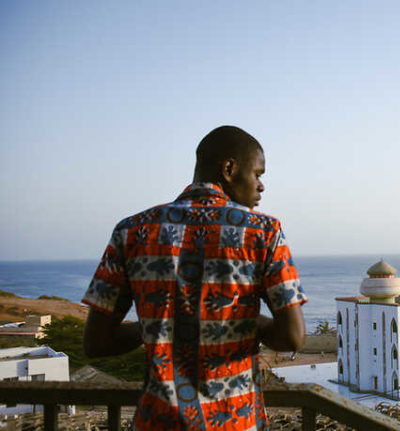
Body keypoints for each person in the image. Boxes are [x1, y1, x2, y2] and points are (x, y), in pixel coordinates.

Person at [82, 125, 307, 430]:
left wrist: (160, 327)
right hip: (234, 422)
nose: (261, 186)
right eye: (258, 174)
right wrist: (254, 323)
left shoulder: (131, 231)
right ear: (229, 169)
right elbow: (292, 337)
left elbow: (97, 342)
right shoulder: (264, 232)